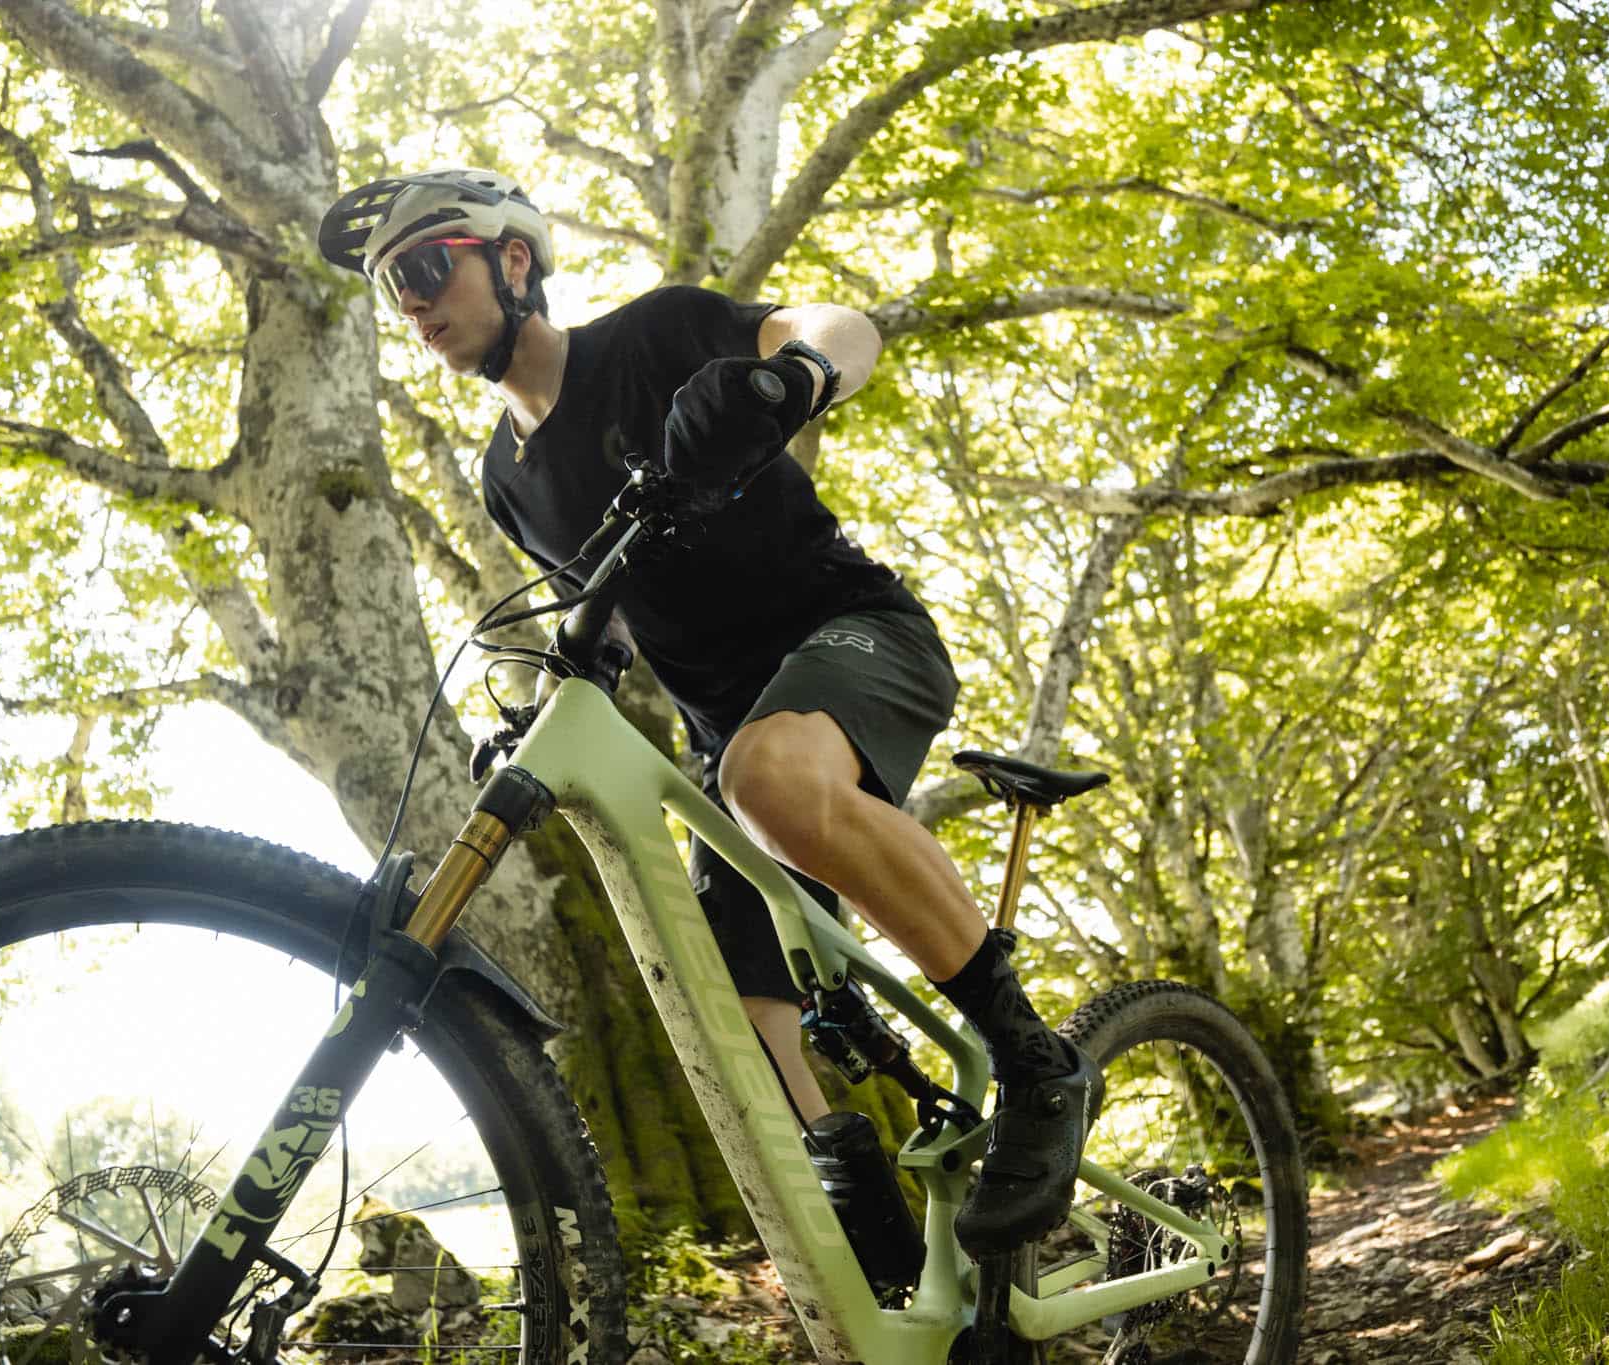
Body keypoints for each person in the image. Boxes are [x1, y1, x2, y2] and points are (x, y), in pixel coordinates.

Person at [316, 168, 1097, 1256]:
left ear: (511, 258)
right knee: (725, 995)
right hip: (731, 736)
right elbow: (604, 612)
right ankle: (867, 1224)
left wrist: (792, 379)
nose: (410, 302)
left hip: (856, 636)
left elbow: (840, 328)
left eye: (423, 267)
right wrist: (557, 688)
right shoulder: (505, 478)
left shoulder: (656, 335)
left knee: (762, 777)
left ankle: (1038, 1064)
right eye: (389, 288)